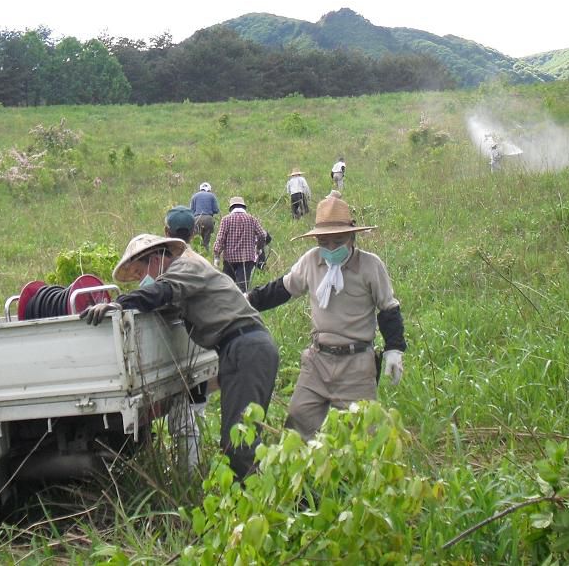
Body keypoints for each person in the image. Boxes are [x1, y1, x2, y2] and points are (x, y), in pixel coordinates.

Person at [83, 233, 279, 478]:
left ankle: (257, 507)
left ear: (155, 259)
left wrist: (120, 304)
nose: (144, 280)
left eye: (140, 273)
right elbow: (164, 303)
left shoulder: (186, 266)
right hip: (238, 349)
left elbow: (162, 292)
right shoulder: (186, 278)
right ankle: (253, 503)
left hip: (246, 348)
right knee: (236, 438)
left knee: (238, 444)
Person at [246, 191, 406, 440]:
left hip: (357, 364)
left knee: (362, 435)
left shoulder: (370, 266)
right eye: (323, 242)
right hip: (318, 361)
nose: (330, 248)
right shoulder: (312, 261)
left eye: (338, 241)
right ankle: (303, 476)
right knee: (298, 424)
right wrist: (247, 301)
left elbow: (388, 308)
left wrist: (394, 350)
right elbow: (283, 289)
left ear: (352, 237)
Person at [162, 205, 211, 469]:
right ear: (195, 231)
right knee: (195, 413)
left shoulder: (174, 264)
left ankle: (189, 477)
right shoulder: (200, 260)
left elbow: (162, 297)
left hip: (184, 350)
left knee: (184, 422)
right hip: (199, 347)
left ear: (166, 232)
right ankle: (194, 472)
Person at [213, 197, 268, 292]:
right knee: (242, 287)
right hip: (247, 259)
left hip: (229, 259)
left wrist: (217, 255)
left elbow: (220, 239)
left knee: (227, 286)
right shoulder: (252, 219)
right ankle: (241, 304)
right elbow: (262, 235)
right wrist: (259, 248)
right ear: (244, 207)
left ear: (231, 208)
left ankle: (228, 304)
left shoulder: (226, 220)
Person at [189, 182, 220, 250]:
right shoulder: (212, 196)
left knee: (197, 241)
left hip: (197, 219)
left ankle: (196, 255)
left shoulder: (194, 196)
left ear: (200, 189)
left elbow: (191, 211)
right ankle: (206, 254)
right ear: (209, 189)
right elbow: (216, 210)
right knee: (206, 241)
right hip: (208, 219)